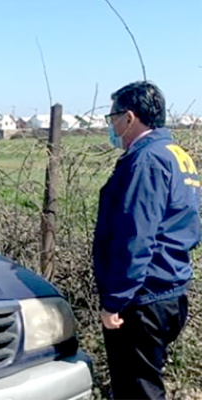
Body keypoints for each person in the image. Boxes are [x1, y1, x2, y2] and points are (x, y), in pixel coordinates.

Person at [93, 81, 201, 400]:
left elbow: (135, 236)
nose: (110, 126)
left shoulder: (146, 160)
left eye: (112, 117)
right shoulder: (176, 154)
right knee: (144, 382)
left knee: (137, 390)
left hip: (142, 297)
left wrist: (114, 301)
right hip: (171, 288)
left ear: (128, 117)